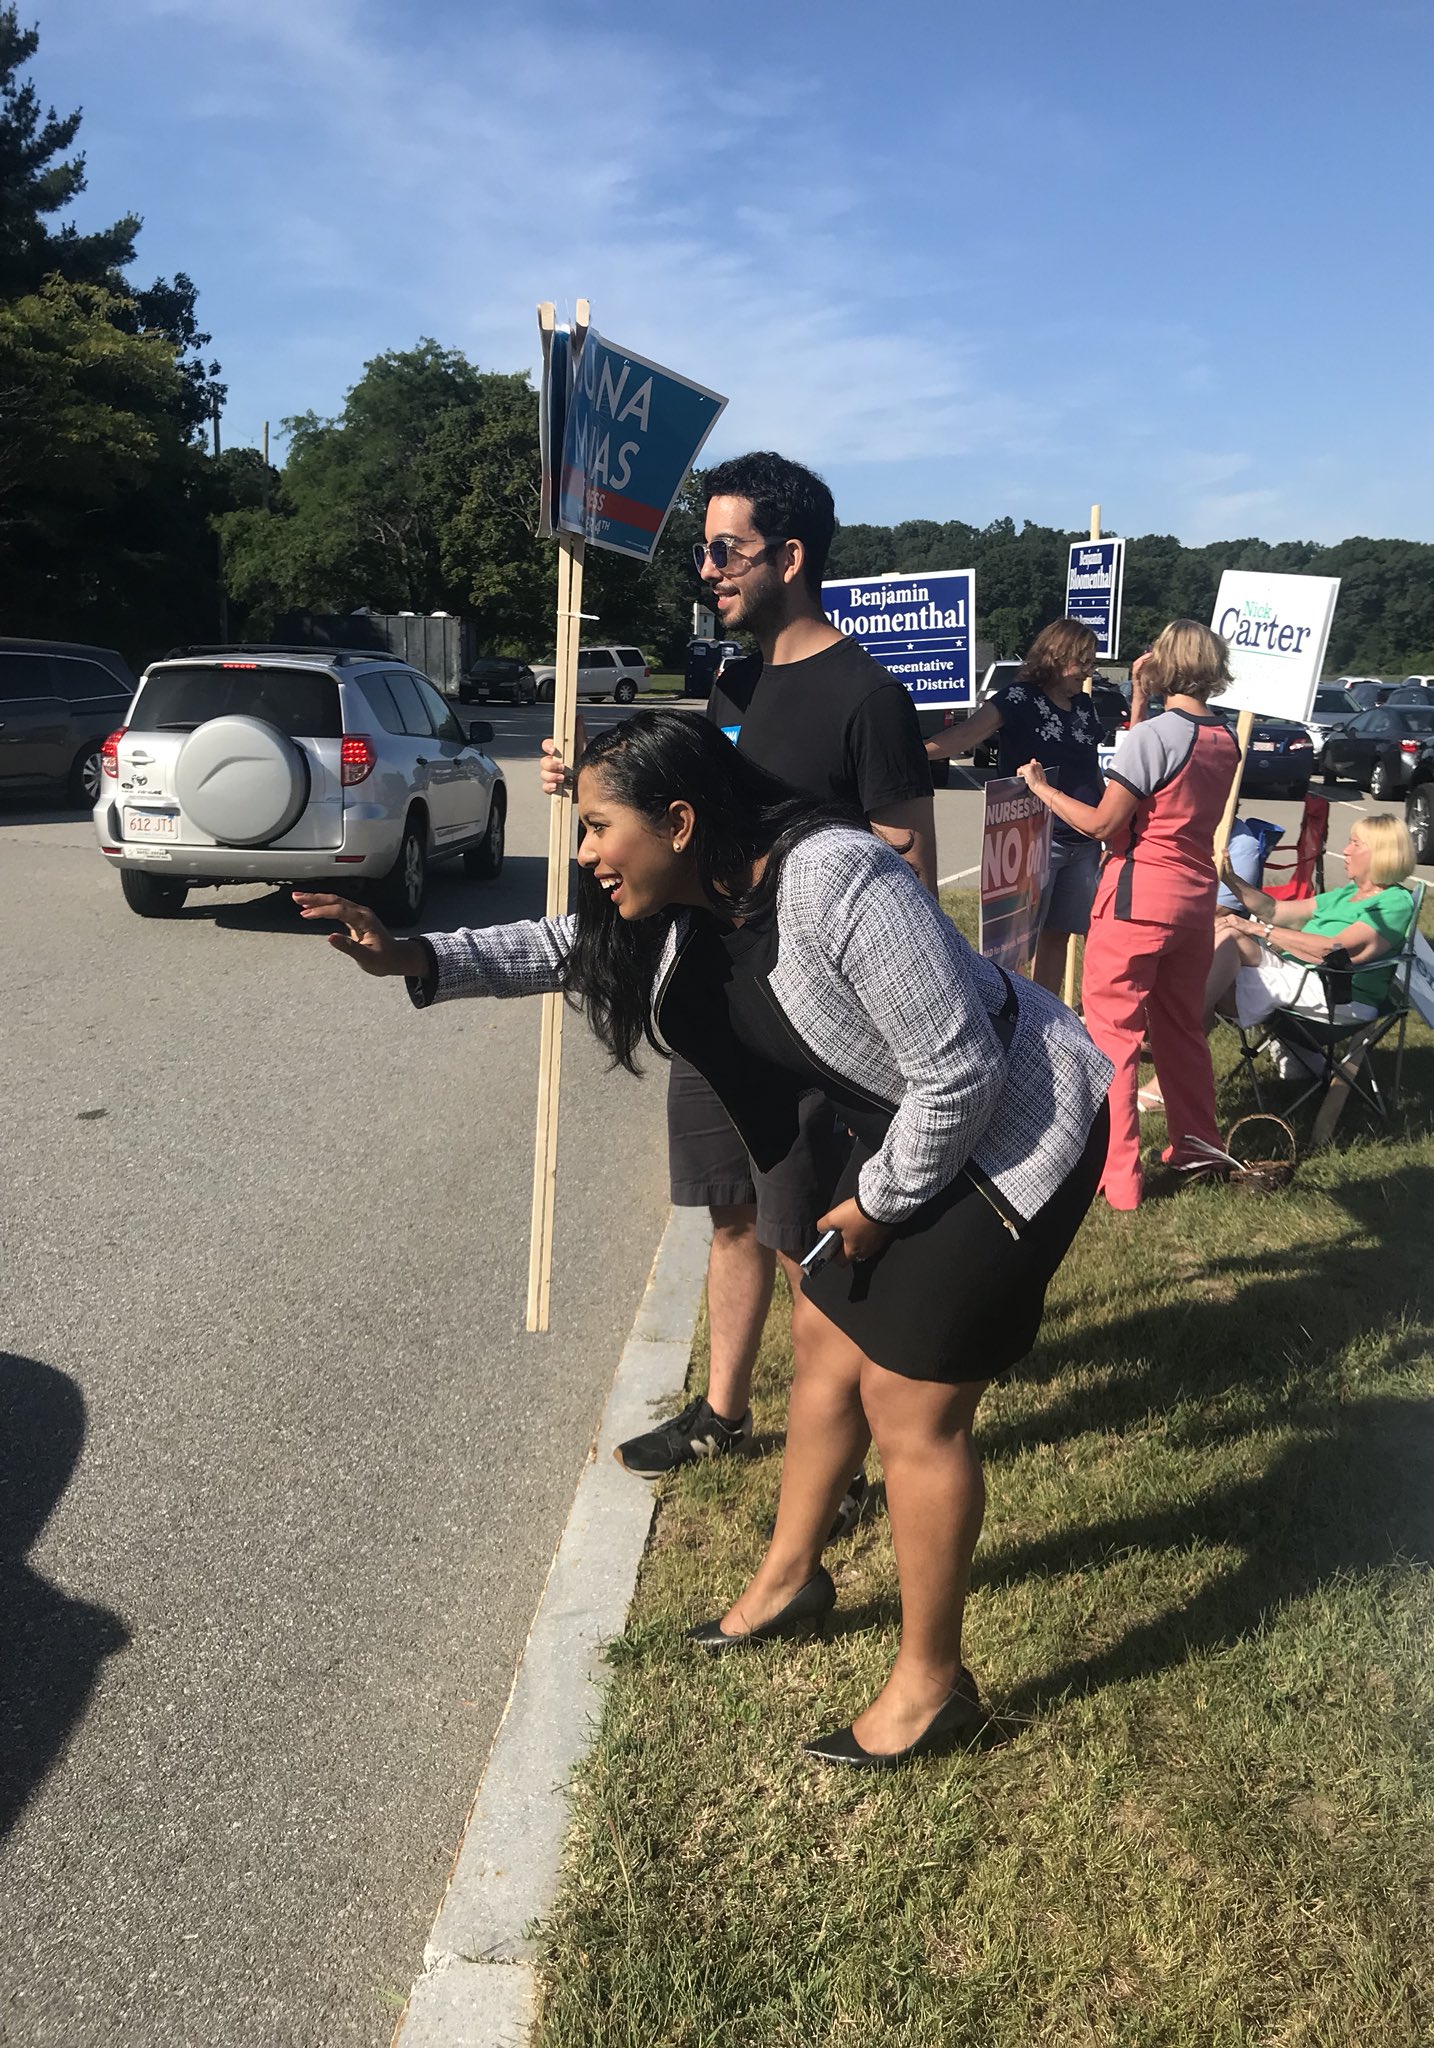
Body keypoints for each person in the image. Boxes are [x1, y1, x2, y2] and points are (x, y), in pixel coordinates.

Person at [298, 710, 1110, 1765]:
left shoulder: (837, 879)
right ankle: (791, 1578)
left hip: (1017, 1130)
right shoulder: (691, 898)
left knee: (909, 1403)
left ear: (679, 821)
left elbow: (961, 1072)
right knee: (823, 1340)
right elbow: (563, 947)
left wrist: (879, 1204)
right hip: (912, 1126)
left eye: (599, 827)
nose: (584, 853)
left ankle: (932, 1687)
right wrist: (413, 952)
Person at [540, 452, 937, 1488]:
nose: (707, 570)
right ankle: (722, 1411)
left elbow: (906, 869)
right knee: (729, 1211)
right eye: (703, 551)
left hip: (801, 1027)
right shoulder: (734, 682)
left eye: (726, 550)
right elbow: (687, 812)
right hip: (712, 999)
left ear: (790, 557)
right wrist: (597, 785)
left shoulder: (868, 697)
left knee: (809, 1241)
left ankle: (835, 1458)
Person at [1020, 620, 1240, 1211]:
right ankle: (1200, 1146)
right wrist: (1141, 700)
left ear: (1165, 663)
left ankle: (1117, 1177)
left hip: (1137, 898)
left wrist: (1041, 790)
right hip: (1194, 900)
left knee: (1112, 1037)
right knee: (1181, 1030)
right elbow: (1161, 768)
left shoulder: (1155, 738)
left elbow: (1101, 823)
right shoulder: (1225, 737)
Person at [924, 618, 1104, 999]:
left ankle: (1047, 1013)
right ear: (1059, 656)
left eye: (1092, 662)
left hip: (1083, 842)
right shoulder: (1017, 699)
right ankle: (1008, 1014)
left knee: (1059, 935)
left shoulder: (1084, 706)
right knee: (1015, 943)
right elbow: (965, 735)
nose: (1089, 672)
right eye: (1083, 661)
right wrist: (911, 751)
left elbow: (1091, 765)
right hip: (1034, 838)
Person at [1206, 814, 1417, 1032]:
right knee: (1222, 935)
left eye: (1355, 844)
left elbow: (1335, 950)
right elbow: (1274, 910)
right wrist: (1230, 878)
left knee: (1211, 978)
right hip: (1298, 973)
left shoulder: (1394, 903)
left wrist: (1258, 928)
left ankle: (1190, 1029)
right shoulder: (1348, 893)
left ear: (1381, 853)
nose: (1346, 850)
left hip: (1335, 991)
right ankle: (1193, 1028)